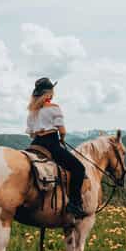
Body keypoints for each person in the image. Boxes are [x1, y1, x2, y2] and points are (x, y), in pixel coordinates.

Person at [26, 77, 87, 218]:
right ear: (49, 93)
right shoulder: (54, 108)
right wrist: (62, 139)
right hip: (51, 144)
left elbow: (30, 133)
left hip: (35, 144)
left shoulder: (32, 110)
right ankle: (74, 204)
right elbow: (63, 131)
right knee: (78, 168)